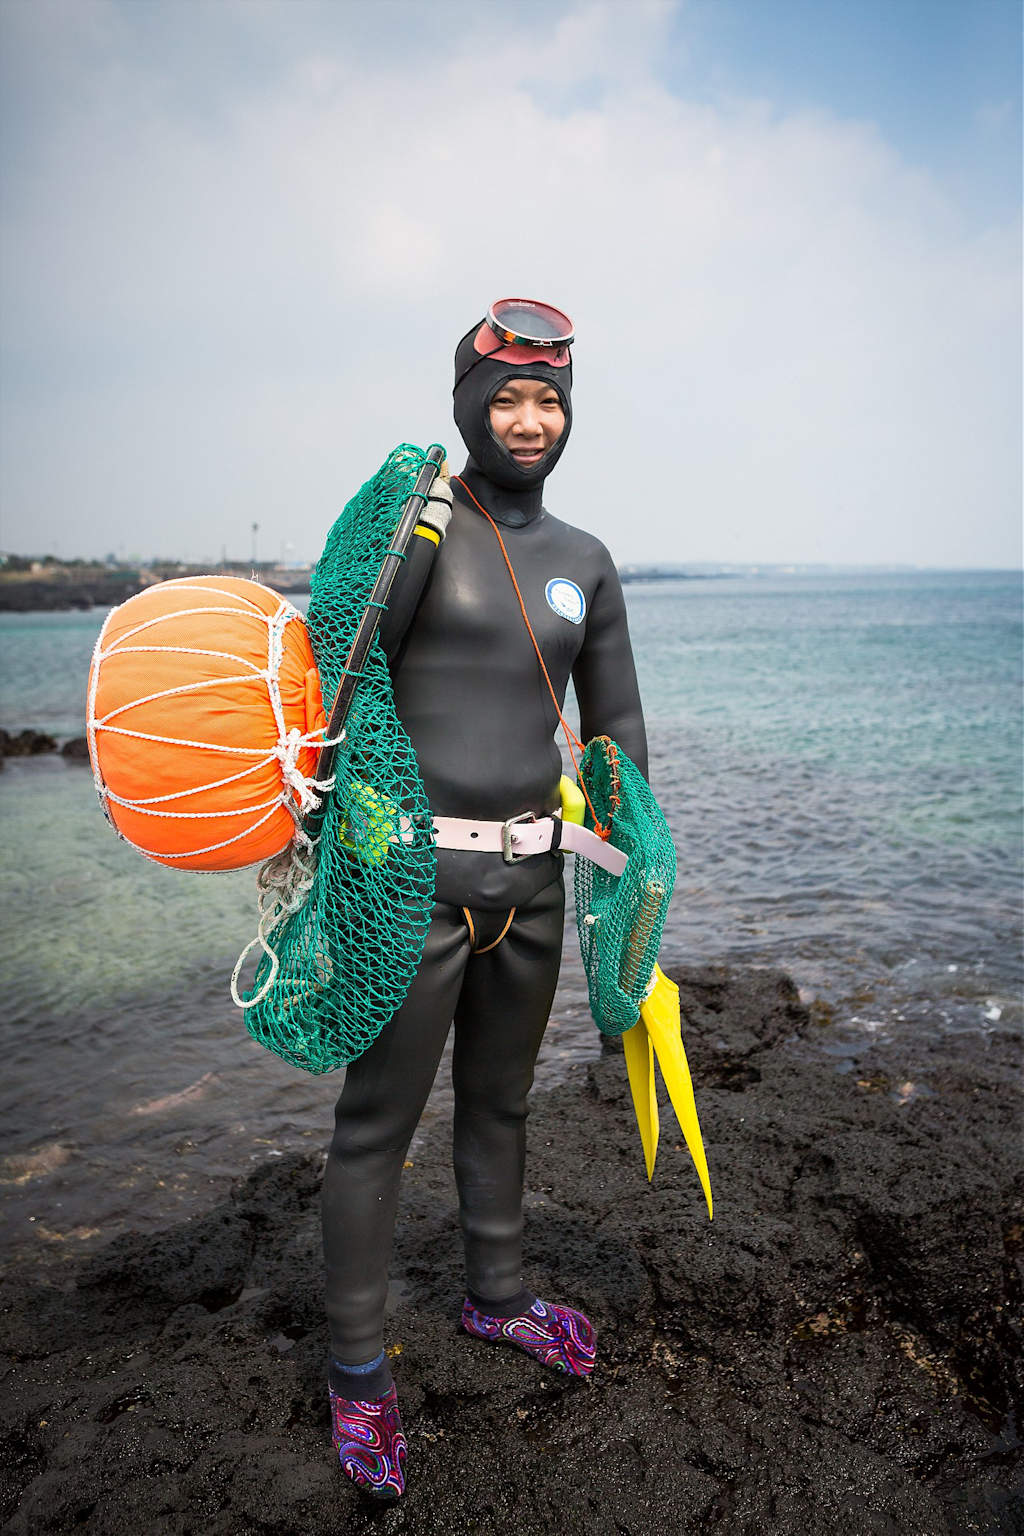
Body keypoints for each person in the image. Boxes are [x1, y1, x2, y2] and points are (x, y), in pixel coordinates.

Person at [321, 301, 648, 1499]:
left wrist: (640, 879)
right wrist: (336, 851)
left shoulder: (587, 561)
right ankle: (358, 1374)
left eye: (548, 399)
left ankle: (496, 1296)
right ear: (466, 402)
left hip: (538, 884)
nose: (527, 420)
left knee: (501, 1108)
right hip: (414, 885)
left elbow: (616, 744)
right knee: (375, 1128)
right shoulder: (422, 530)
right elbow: (343, 684)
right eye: (505, 398)